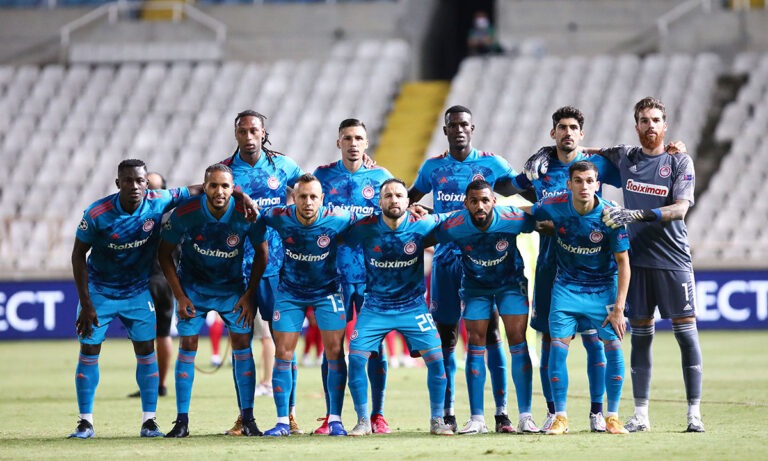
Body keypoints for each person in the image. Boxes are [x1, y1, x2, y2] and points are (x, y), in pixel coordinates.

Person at [408, 105, 525, 433]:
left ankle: (501, 414)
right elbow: (407, 199)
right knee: (446, 337)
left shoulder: (492, 164)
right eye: (453, 125)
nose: (459, 130)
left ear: (472, 128)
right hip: (446, 261)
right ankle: (448, 412)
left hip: (482, 261)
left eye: (464, 125)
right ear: (445, 130)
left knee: (491, 333)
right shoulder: (433, 168)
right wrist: (418, 208)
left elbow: (518, 191)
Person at [599, 97, 705, 433]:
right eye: (644, 120)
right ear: (636, 126)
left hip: (674, 260)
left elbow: (680, 209)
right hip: (637, 262)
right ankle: (641, 415)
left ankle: (694, 414)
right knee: (641, 337)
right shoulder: (625, 157)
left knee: (686, 336)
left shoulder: (679, 161)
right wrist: (548, 152)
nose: (650, 126)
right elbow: (583, 151)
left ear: (665, 125)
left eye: (656, 120)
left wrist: (636, 214)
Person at [516, 106, 622, 432]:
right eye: (562, 127)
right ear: (553, 132)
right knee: (550, 341)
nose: (567, 132)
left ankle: (598, 413)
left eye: (573, 127)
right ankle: (554, 412)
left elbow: (635, 172)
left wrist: (673, 153)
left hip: (593, 269)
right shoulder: (541, 167)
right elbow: (510, 190)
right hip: (551, 266)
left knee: (594, 341)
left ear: (581, 133)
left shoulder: (597, 164)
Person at [69, 159, 191, 439]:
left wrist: (239, 194)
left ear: (147, 183)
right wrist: (86, 303)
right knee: (89, 351)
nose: (134, 186)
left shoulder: (158, 201)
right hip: (100, 292)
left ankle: (149, 421)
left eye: (139, 180)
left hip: (137, 292)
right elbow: (78, 255)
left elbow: (197, 190)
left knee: (146, 353)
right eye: (128, 180)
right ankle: (85, 422)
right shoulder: (97, 214)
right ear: (118, 183)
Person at [159, 163, 268, 438]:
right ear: (204, 187)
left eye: (225, 186)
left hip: (232, 290)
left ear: (233, 189)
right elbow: (163, 253)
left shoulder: (247, 214)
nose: (219, 191)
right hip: (193, 290)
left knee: (242, 344)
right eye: (214, 185)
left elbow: (262, 254)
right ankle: (181, 422)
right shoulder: (186, 213)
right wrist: (179, 295)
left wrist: (249, 294)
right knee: (188, 345)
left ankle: (248, 419)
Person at [527, 160, 630, 435]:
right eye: (578, 181)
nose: (584, 186)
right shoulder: (554, 205)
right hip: (566, 289)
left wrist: (619, 308)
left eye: (589, 181)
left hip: (603, 290)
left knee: (613, 347)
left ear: (597, 185)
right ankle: (560, 417)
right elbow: (525, 212)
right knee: (557, 348)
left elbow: (624, 263)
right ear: (569, 184)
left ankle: (612, 416)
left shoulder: (610, 216)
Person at [344, 178, 454, 437]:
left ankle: (437, 419)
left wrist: (429, 210)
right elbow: (335, 234)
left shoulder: (422, 224)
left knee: (437, 360)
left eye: (399, 195)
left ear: (408, 201)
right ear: (379, 201)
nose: (394, 199)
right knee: (356, 360)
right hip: (375, 306)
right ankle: (363, 421)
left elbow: (456, 217)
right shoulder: (364, 227)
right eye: (388, 195)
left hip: (413, 308)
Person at [431, 180, 539, 435]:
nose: (480, 206)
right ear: (466, 204)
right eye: (474, 201)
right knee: (475, 343)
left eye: (485, 200)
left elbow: (543, 222)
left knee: (517, 340)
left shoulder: (512, 218)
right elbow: (427, 231)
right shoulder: (455, 224)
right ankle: (477, 418)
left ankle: (525, 416)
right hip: (475, 288)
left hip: (510, 285)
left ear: (494, 202)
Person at [220, 110, 304, 435]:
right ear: (236, 134)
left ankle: (290, 415)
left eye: (254, 130)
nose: (249, 136)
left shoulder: (283, 166)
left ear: (264, 133)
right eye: (242, 131)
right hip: (235, 267)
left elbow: (313, 189)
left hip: (277, 266)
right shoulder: (225, 171)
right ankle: (245, 417)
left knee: (283, 343)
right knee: (241, 342)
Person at [258, 173, 357, 437]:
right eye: (303, 196)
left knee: (335, 351)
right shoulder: (279, 215)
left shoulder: (338, 217)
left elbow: (374, 219)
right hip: (290, 293)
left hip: (327, 292)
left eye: (314, 197)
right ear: (294, 197)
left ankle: (335, 419)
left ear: (322, 199)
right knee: (283, 352)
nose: (308, 202)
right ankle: (283, 421)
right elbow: (253, 214)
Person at [312, 118, 394, 435]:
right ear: (338, 143)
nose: (353, 143)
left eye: (359, 138)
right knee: (333, 347)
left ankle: (378, 415)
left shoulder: (381, 178)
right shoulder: (322, 177)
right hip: (333, 275)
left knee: (375, 346)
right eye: (347, 138)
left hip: (374, 275)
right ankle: (332, 416)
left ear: (366, 143)